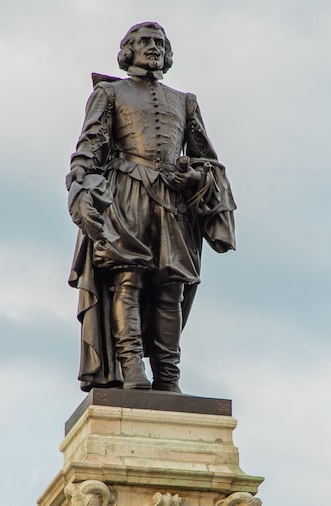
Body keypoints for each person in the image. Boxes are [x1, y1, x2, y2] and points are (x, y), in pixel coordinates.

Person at [66, 21, 236, 393]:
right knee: (128, 280)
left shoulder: (185, 101)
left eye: (159, 42)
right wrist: (79, 179)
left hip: (173, 203)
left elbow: (207, 159)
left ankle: (168, 376)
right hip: (126, 193)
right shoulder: (109, 93)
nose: (153, 47)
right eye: (144, 41)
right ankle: (131, 370)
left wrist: (195, 178)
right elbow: (90, 145)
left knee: (170, 288)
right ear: (128, 50)